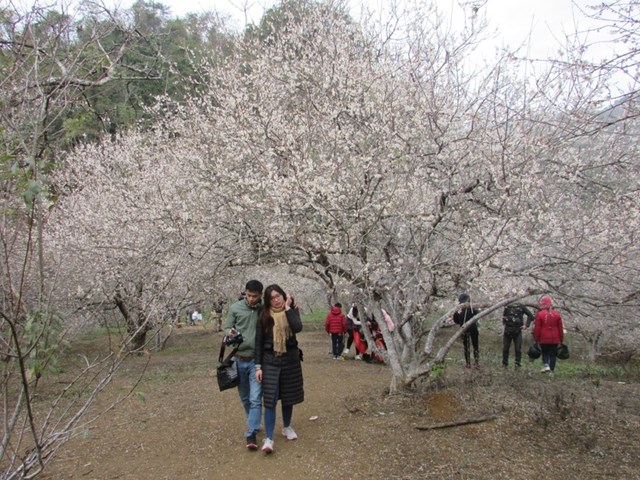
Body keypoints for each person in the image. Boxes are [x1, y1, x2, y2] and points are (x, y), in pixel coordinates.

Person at [255, 284, 304, 454]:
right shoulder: (264, 315)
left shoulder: (292, 311)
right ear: (267, 301)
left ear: (284, 296)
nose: (276, 300)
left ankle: (287, 427)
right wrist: (258, 366)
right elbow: (259, 342)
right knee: (270, 399)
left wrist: (289, 308)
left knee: (288, 396)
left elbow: (297, 327)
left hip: (290, 360)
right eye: (272, 298)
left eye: (278, 296)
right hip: (270, 361)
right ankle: (269, 437)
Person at [224, 280, 264, 450]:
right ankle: (254, 424)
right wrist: (230, 333)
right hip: (239, 359)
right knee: (246, 398)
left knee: (256, 398)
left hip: (256, 360)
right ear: (245, 293)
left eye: (255, 296)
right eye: (248, 295)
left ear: (260, 295)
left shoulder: (264, 309)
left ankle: (251, 434)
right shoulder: (235, 308)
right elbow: (227, 327)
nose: (251, 299)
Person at [533, 296, 564, 374]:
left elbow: (537, 328)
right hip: (555, 339)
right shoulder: (557, 314)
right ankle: (552, 371)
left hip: (544, 338)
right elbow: (560, 328)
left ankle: (546, 365)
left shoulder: (540, 314)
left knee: (545, 352)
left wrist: (536, 339)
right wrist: (561, 339)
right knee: (553, 355)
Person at [501, 303, 534, 368]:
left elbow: (530, 316)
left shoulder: (521, 306)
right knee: (505, 348)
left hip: (517, 331)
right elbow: (504, 316)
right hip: (507, 330)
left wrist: (526, 325)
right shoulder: (507, 306)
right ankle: (504, 364)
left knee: (518, 349)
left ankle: (517, 364)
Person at [453, 293, 480, 369]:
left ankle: (468, 364)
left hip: (464, 329)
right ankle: (476, 363)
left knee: (467, 346)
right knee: (475, 346)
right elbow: (478, 314)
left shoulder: (460, 309)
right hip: (473, 329)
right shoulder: (471, 308)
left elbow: (456, 320)